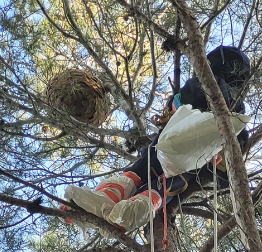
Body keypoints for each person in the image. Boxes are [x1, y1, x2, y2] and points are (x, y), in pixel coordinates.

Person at [64, 45, 251, 232]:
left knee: (143, 167)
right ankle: (139, 207)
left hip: (175, 139)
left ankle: (107, 198)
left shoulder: (204, 82)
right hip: (199, 158)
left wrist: (171, 103)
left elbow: (182, 100)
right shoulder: (238, 118)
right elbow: (227, 173)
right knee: (173, 181)